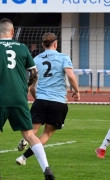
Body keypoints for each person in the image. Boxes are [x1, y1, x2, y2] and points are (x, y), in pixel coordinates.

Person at [0, 18, 55, 180]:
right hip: (20, 97)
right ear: (13, 32)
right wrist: (26, 88)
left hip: (0, 97)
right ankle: (47, 169)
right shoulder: (22, 47)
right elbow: (34, 73)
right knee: (29, 134)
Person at [15, 32, 80, 165]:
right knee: (47, 134)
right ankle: (23, 158)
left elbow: (32, 85)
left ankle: (26, 140)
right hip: (58, 101)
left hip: (41, 100)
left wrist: (38, 99)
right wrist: (77, 91)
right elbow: (70, 76)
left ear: (42, 44)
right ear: (55, 44)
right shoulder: (63, 57)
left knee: (32, 131)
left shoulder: (36, 59)